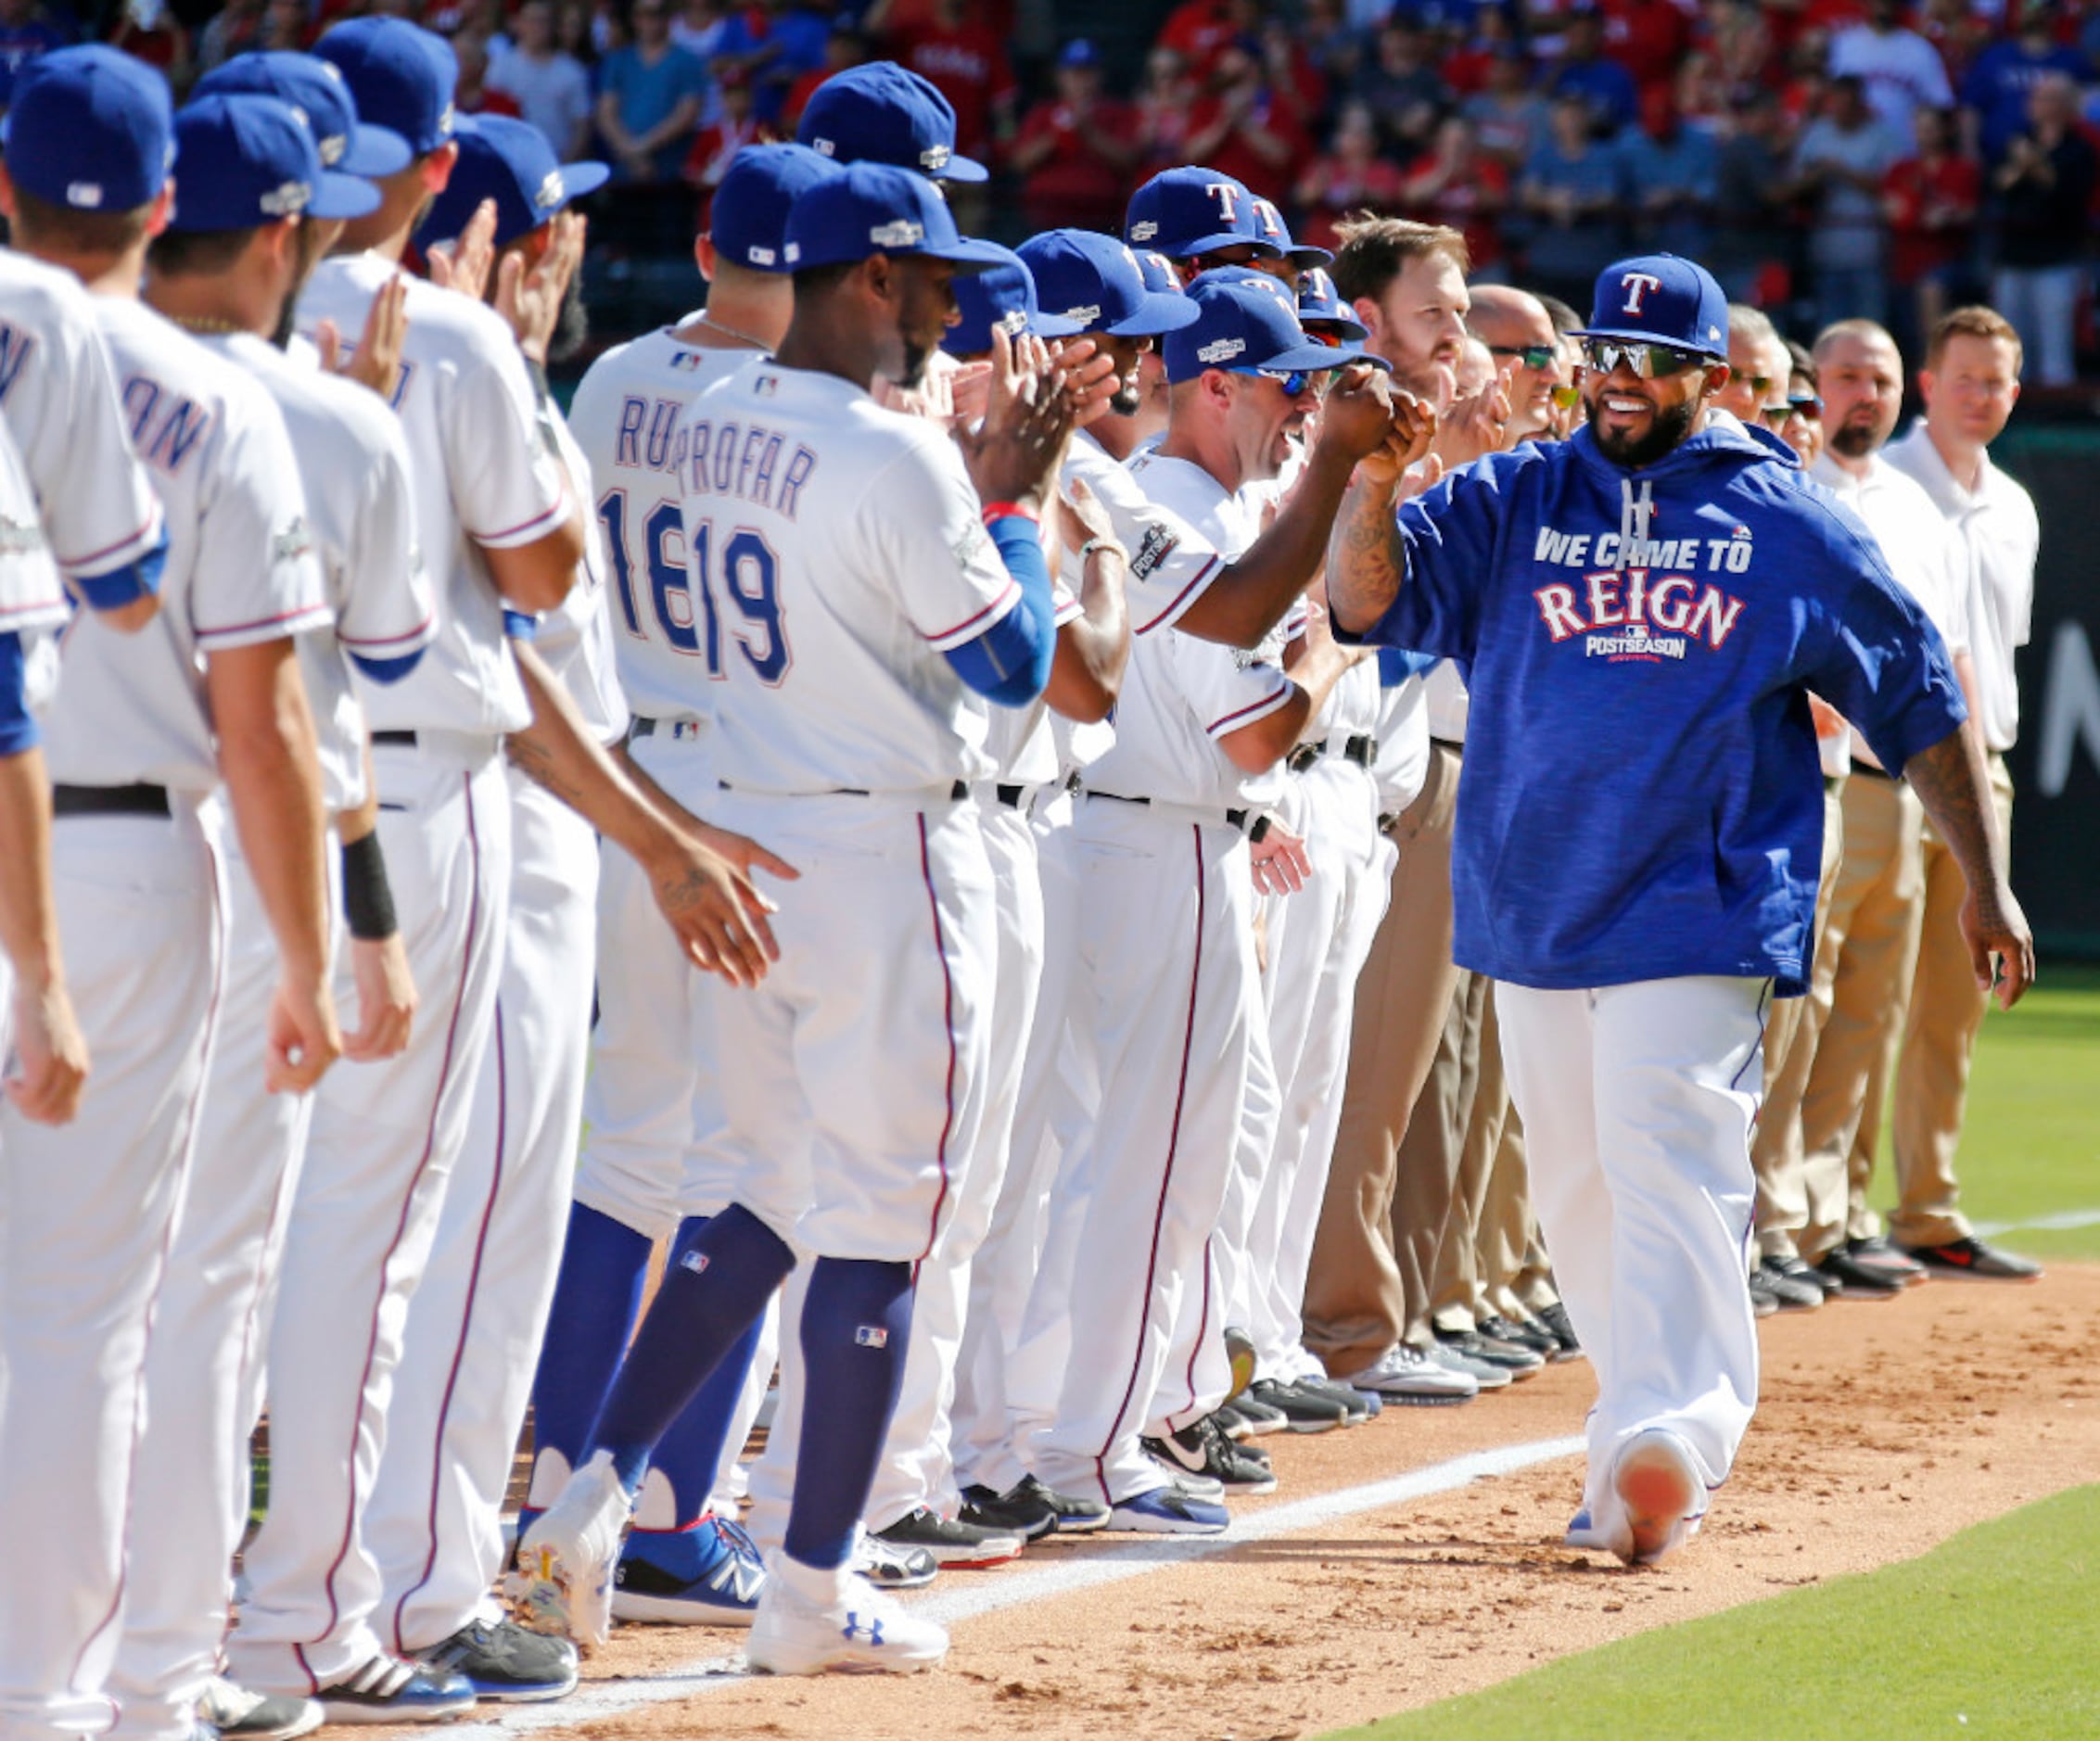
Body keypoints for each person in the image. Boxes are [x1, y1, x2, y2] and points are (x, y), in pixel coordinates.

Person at [1326, 251, 2033, 1568]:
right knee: (1581, 1194)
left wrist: (1982, 879)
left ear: (1708, 375)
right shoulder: (1519, 490)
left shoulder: (1784, 518)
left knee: (1670, 1163)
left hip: (1697, 906)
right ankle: (1628, 1444)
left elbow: (1918, 694)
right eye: (1605, 353)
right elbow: (1364, 602)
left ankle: (1680, 1434)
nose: (1621, 380)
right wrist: (1373, 479)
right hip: (1533, 902)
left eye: (1652, 360)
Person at [519, 160, 1078, 1673]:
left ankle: (589, 1490)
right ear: (869, 281)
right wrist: (1014, 490)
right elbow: (1014, 666)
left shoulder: (701, 410)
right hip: (888, 853)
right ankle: (812, 1581)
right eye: (934, 273)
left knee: (759, 1191)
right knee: (885, 1224)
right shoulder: (901, 456)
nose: (959, 299)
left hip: (743, 834)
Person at [227, 17, 583, 1720]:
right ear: (435, 170)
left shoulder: (118, 331)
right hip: (398, 802)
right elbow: (543, 566)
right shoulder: (436, 334)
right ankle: (311, 1612)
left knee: (203, 1232)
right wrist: (508, 356)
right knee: (370, 1233)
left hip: (173, 806)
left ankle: (176, 1614)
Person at [0, 47, 343, 1734]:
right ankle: (58, 1695)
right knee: (83, 1313)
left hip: (42, 830)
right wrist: (308, 954)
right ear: (158, 209)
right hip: (126, 865)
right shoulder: (220, 404)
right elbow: (266, 728)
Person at [108, 70, 438, 1741]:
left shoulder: (42, 355)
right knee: (198, 1284)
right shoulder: (316, 409)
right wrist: (351, 932)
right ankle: (166, 1662)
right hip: (212, 862)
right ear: (289, 231)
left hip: (48, 845)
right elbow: (331, 707)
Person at [1019, 274, 1389, 1524]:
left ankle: (1038, 1430)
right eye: (1289, 385)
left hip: (1126, 842)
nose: (1304, 410)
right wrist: (1331, 645)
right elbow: (1253, 734)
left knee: (1101, 1169)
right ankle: (1096, 1447)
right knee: (1151, 1173)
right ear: (1217, 380)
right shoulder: (1190, 509)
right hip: (1160, 849)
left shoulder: (1193, 503)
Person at [1795, 317, 1979, 1303]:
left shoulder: (1911, 504)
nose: (1863, 395)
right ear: (1812, 383)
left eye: (1879, 379)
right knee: (1806, 1006)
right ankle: (1783, 1218)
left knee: (1871, 1010)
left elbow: (1943, 657)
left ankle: (1836, 1215)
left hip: (1903, 787)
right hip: (1823, 778)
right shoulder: (1789, 481)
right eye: (1846, 377)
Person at [1883, 306, 2043, 1280]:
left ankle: (1927, 1206)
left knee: (1955, 1004)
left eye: (1999, 382)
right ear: (1928, 384)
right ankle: (1822, 1220)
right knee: (1861, 1003)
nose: (1982, 396)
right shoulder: (1885, 483)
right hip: (1892, 767)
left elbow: (2000, 655)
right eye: (1967, 378)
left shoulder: (2015, 503)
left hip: (1986, 770)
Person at [1988, 72, 2095, 388]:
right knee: (2011, 349)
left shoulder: (2079, 148)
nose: (2034, 104)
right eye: (2035, 97)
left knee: (2055, 347)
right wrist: (2026, 164)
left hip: (2058, 258)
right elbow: (1999, 185)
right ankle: (2014, 417)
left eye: (2044, 98)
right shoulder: (2018, 138)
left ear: (2064, 105)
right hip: (2013, 255)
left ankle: (2056, 424)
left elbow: (2066, 191)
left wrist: (2032, 163)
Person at [1790, 74, 1904, 330]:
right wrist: (1816, 179)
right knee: (1829, 329)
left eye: (1847, 104)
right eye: (1836, 104)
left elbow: (1894, 189)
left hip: (1870, 251)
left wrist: (1841, 170)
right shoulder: (1817, 133)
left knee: (1871, 328)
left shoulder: (1883, 135)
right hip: (1825, 249)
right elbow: (1794, 185)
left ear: (1860, 104)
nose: (1840, 111)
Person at [1011, 39, 1143, 234]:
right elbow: (1020, 162)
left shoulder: (1116, 112)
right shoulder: (1043, 111)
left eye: (1087, 73)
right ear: (1060, 76)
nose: (1081, 81)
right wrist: (1059, 133)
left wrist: (1088, 131)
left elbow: (1129, 160)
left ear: (1099, 76)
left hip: (1100, 216)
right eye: (1074, 73)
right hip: (1046, 215)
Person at [490, 0, 594, 158]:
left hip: (560, 161)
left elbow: (582, 125)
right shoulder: (501, 67)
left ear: (553, 27)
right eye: (531, 20)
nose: (537, 27)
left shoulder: (572, 71)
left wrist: (567, 163)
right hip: (513, 163)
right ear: (520, 24)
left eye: (543, 21)